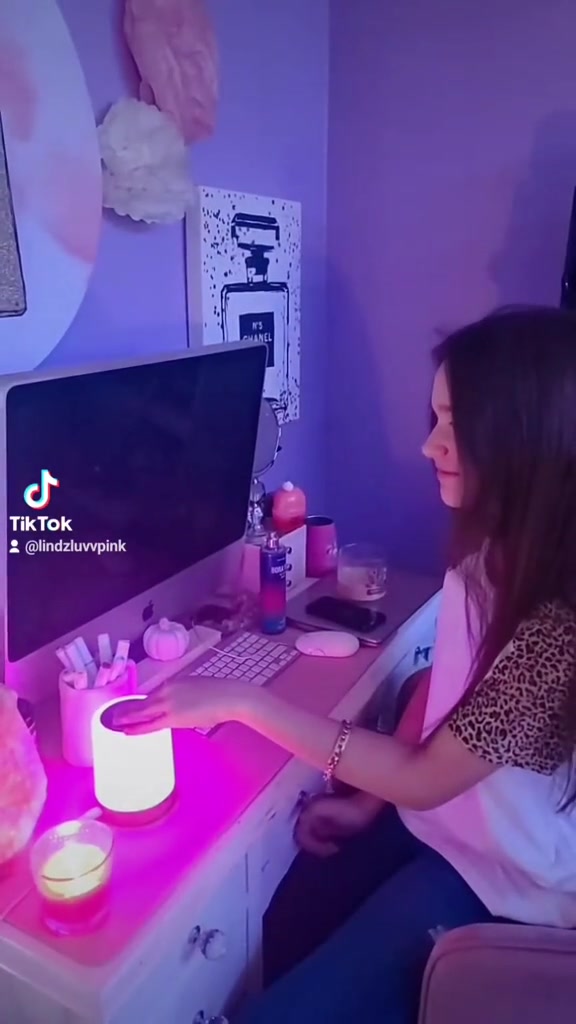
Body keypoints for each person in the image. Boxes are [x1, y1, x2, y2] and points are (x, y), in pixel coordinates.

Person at [116, 306, 576, 1023]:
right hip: (445, 826)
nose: (429, 445)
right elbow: (446, 687)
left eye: (455, 426)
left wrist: (243, 700)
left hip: (509, 882)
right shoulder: (492, 550)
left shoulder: (556, 627)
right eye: (435, 418)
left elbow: (424, 777)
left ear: (526, 441)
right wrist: (367, 803)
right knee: (289, 914)